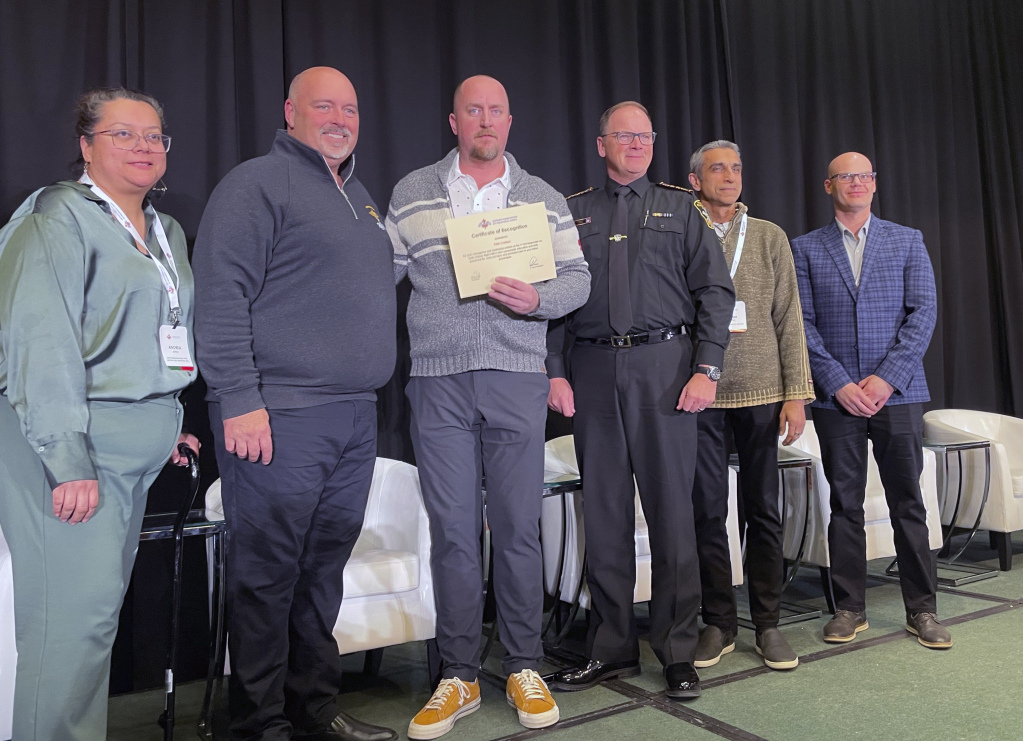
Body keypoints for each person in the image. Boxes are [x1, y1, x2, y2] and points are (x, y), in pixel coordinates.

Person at [192, 67, 398, 741]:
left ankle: (313, 708)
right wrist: (238, 398)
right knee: (268, 575)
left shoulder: (361, 196)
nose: (340, 117)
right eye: (324, 105)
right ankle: (259, 723)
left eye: (350, 106)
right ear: (290, 111)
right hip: (278, 415)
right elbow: (220, 298)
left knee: (321, 573)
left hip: (353, 416)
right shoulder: (254, 185)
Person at [386, 75, 590, 739]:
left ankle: (525, 663)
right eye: (473, 109)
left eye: (496, 110)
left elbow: (578, 278)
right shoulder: (414, 191)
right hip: (438, 380)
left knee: (517, 525)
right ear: (454, 120)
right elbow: (376, 272)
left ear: (509, 119)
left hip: (516, 376)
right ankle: (459, 673)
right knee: (452, 528)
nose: (485, 120)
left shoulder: (543, 198)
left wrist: (542, 301)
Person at [0, 87, 199, 740]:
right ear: (85, 146)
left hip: (133, 453)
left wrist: (167, 423)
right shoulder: (56, 220)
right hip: (73, 454)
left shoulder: (163, 232)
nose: (144, 146)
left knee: (93, 627)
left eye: (154, 136)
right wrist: (67, 461)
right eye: (124, 134)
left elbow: (152, 335)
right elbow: (39, 343)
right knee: (67, 630)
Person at [545, 102, 734, 700]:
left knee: (673, 515)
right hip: (593, 369)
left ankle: (678, 650)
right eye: (623, 135)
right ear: (601, 144)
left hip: (666, 369)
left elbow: (715, 294)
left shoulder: (683, 209)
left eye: (645, 135)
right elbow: (550, 302)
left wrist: (707, 369)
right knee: (602, 514)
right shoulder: (571, 213)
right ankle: (611, 648)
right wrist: (554, 371)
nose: (635, 144)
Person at [791, 152, 950, 649]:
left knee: (909, 503)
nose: (856, 183)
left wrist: (886, 379)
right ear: (828, 185)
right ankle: (850, 609)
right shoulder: (805, 248)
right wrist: (837, 382)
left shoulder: (907, 240)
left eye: (864, 176)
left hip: (897, 394)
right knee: (844, 504)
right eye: (846, 176)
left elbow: (922, 313)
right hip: (835, 398)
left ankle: (922, 610)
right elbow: (802, 325)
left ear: (875, 185)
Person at [685, 140, 814, 671]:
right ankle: (718, 622)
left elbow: (789, 317)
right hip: (699, 393)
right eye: (717, 168)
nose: (730, 176)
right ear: (695, 180)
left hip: (763, 391)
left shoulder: (768, 235)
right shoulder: (680, 229)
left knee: (763, 509)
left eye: (737, 167)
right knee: (707, 512)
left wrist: (796, 394)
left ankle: (767, 624)